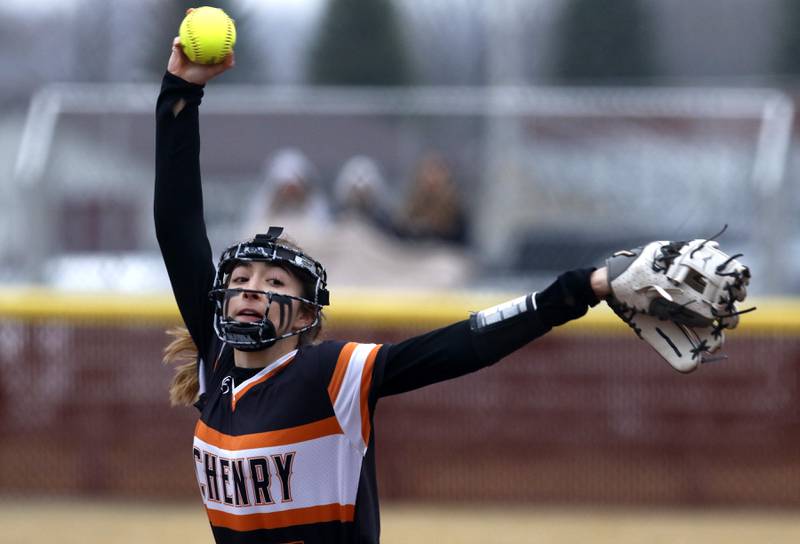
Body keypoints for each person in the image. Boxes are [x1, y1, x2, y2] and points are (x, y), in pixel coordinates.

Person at [155, 36, 611, 543]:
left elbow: (461, 346)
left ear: (305, 316)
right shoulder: (216, 364)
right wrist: (180, 92)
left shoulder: (329, 375)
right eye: (240, 281)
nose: (250, 290)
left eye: (272, 282)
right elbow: (177, 224)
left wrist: (576, 290)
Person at [394, 152, 468, 246]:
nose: (431, 178)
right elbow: (400, 233)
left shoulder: (455, 212)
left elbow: (459, 243)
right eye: (428, 172)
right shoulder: (412, 205)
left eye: (436, 172)